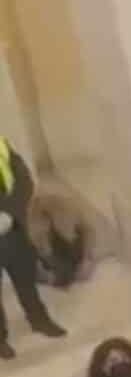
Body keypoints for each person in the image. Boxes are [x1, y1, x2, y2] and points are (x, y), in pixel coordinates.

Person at [0, 131, 63, 356]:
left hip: (13, 229)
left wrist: (9, 213)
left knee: (25, 278)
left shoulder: (1, 145)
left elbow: (23, 179)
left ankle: (39, 320)